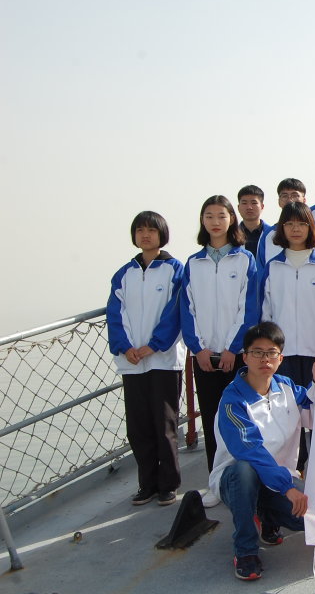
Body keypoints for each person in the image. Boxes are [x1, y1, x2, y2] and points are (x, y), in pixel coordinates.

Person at [208, 322, 312, 581]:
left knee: (308, 519)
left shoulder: (286, 387)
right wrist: (287, 488)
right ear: (245, 357)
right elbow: (250, 450)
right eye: (257, 352)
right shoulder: (233, 400)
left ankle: (267, 516)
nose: (265, 359)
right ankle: (245, 550)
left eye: (271, 352)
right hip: (237, 480)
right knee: (245, 470)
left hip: (279, 478)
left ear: (280, 358)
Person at [181, 195, 259, 505]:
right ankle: (216, 484)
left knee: (241, 418)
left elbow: (248, 308)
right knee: (211, 419)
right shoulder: (193, 263)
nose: (215, 222)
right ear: (202, 221)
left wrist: (233, 348)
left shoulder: (245, 260)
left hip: (235, 356)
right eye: (209, 216)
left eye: (221, 216)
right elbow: (187, 309)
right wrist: (198, 349)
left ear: (231, 219)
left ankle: (246, 482)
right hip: (204, 357)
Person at [106, 211, 186, 507]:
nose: (146, 235)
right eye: (140, 230)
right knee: (138, 427)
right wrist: (125, 346)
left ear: (161, 234)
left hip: (163, 359)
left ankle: (168, 484)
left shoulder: (174, 269)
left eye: (151, 230)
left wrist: (154, 345)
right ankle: (147, 484)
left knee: (165, 424)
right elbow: (114, 313)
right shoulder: (123, 274)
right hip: (132, 362)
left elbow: (175, 311)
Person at [260, 201, 315, 470]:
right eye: (290, 224)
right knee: (287, 415)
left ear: (311, 228)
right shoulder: (272, 267)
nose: (296, 229)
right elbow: (265, 313)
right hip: (282, 357)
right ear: (282, 228)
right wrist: (269, 350)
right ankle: (292, 469)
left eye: (302, 224)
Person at [257, 178, 315, 270]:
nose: (290, 200)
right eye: (284, 196)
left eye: (295, 195)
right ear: (279, 201)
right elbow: (261, 271)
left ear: (304, 200)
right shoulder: (268, 234)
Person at [237, 185, 268, 258]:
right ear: (238, 207)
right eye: (244, 203)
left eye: (254, 203)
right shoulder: (231, 235)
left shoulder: (273, 234)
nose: (249, 207)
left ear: (262, 206)